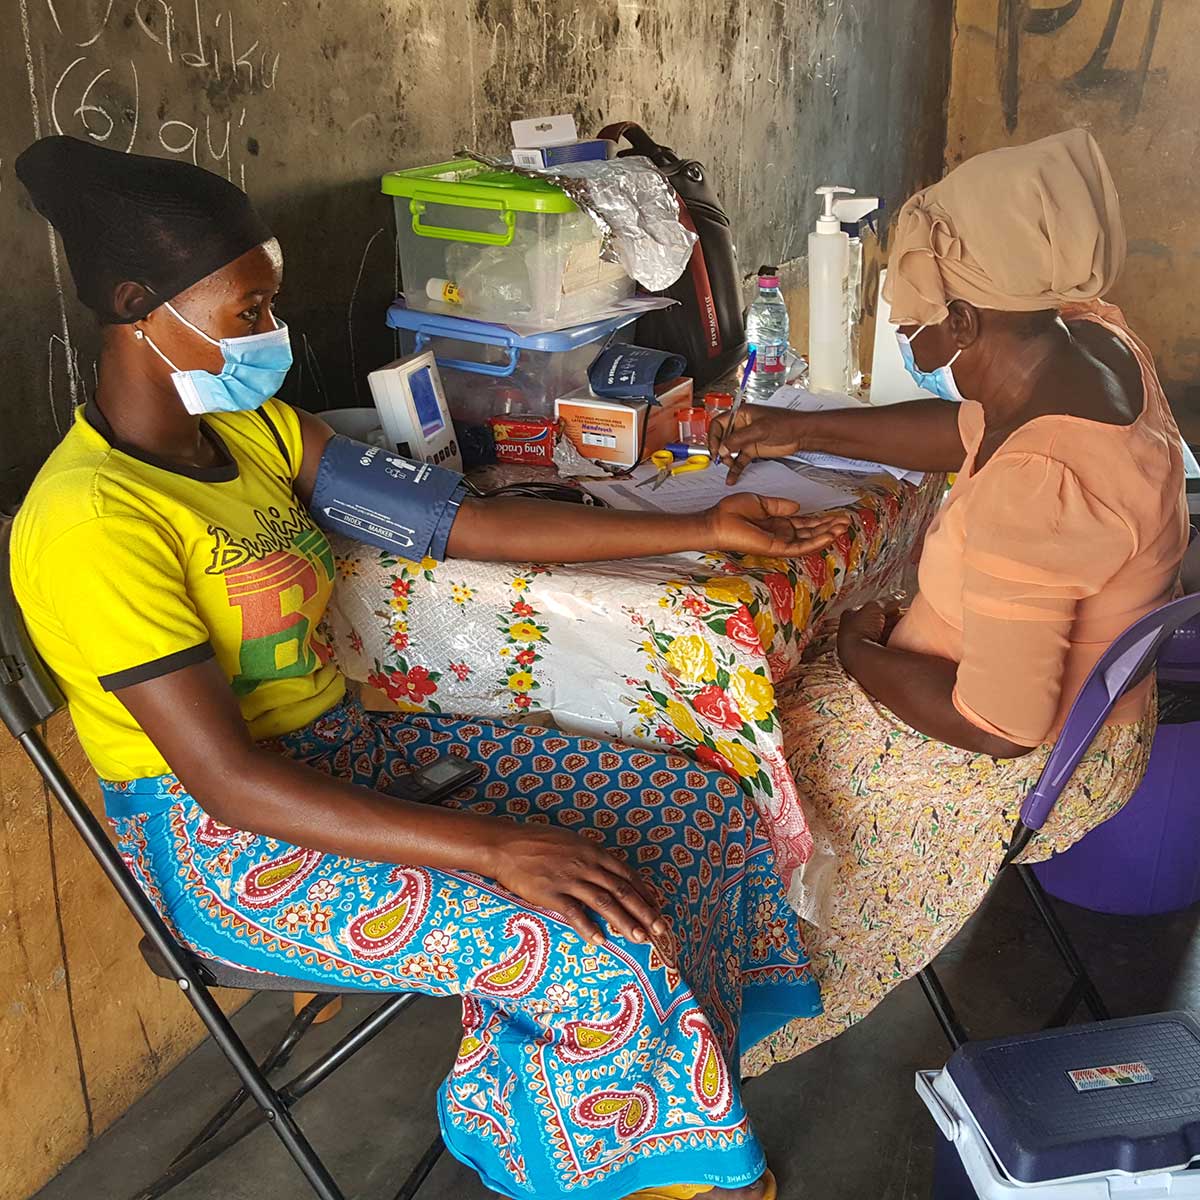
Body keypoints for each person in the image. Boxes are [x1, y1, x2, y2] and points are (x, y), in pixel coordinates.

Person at [10, 137, 850, 1200]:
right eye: (248, 314)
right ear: (139, 306)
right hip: (226, 842)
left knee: (695, 805)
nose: (275, 335)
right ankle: (636, 1166)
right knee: (589, 943)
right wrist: (498, 847)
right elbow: (227, 783)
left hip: (349, 759)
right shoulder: (92, 520)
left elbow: (460, 525)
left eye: (273, 307)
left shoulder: (257, 431)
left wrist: (710, 534)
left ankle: (663, 1113)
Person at [709, 129, 1189, 1071]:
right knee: (761, 665)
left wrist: (863, 653)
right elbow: (967, 422)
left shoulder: (1043, 484)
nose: (908, 342)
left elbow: (999, 722)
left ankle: (709, 1027)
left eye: (915, 328)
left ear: (967, 322)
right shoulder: (1086, 345)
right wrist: (793, 428)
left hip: (1019, 756)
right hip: (1100, 712)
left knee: (720, 759)